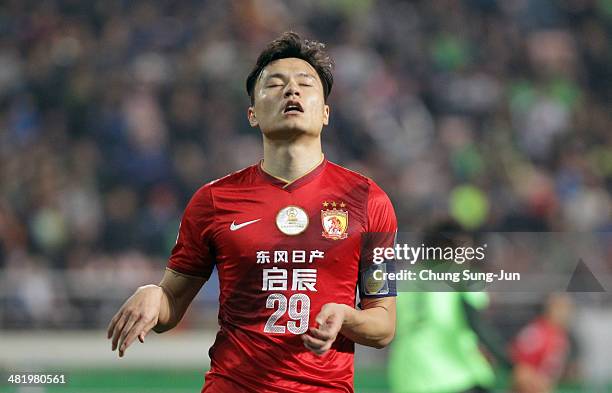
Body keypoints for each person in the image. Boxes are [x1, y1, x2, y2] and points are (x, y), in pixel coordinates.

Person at [106, 31, 397, 393]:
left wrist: (345, 316)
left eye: (305, 84)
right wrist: (154, 293)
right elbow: (171, 307)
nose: (291, 91)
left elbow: (383, 325)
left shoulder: (369, 200)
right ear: (252, 114)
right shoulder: (213, 200)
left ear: (325, 113)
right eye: (275, 84)